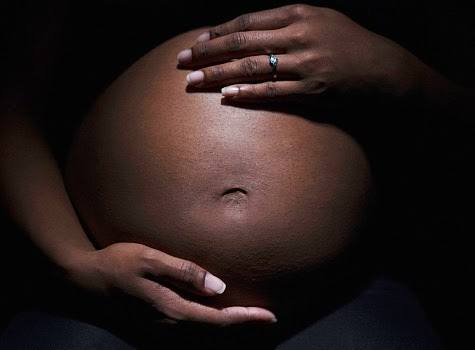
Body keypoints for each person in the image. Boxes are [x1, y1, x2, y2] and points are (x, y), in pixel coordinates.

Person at [0, 1, 472, 349]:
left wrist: (398, 71)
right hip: (105, 291)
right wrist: (73, 264)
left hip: (342, 293)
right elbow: (11, 100)